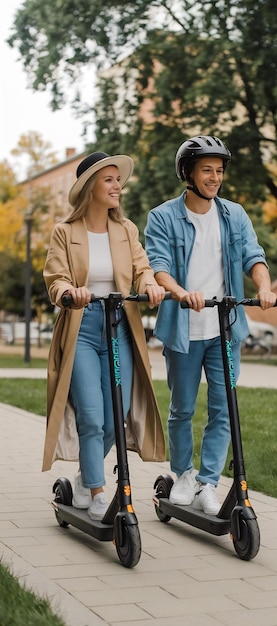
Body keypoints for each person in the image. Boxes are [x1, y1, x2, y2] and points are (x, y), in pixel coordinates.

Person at [145, 135, 277, 515]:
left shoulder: (234, 214)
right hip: (185, 329)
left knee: (223, 408)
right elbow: (158, 265)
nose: (215, 177)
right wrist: (181, 291)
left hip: (225, 328)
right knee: (182, 408)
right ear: (187, 172)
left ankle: (207, 482)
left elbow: (254, 255)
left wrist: (264, 287)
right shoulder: (163, 216)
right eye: (207, 170)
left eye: (219, 171)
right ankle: (184, 474)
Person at [42, 151, 166, 521]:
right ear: (89, 187)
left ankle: (85, 476)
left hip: (120, 328)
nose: (118, 187)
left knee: (117, 416)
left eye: (118, 180)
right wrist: (69, 292)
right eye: (109, 180)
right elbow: (56, 277)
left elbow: (141, 269)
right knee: (91, 416)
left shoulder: (126, 230)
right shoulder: (65, 232)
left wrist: (151, 285)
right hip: (81, 327)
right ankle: (97, 490)